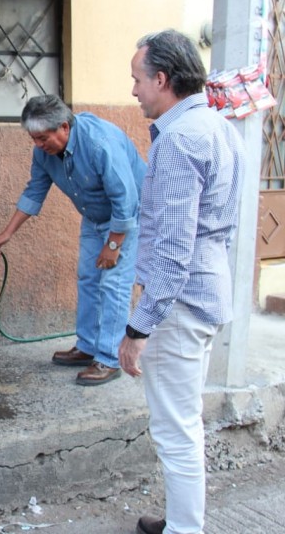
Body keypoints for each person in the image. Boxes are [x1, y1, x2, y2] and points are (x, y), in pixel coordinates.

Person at [119, 30, 245, 534]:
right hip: (206, 293)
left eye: (137, 79)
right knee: (182, 422)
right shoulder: (216, 126)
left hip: (181, 303)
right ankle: (181, 520)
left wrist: (138, 329)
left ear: (163, 80)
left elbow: (173, 252)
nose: (133, 90)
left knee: (175, 429)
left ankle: (184, 529)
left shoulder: (180, 140)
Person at [0, 94, 146, 385]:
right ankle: (87, 347)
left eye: (42, 138)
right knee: (88, 277)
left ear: (64, 127)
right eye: (33, 138)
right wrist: (8, 232)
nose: (37, 145)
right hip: (94, 217)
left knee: (113, 283)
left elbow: (126, 199)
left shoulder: (100, 144)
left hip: (128, 218)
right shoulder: (44, 152)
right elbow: (35, 190)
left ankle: (109, 359)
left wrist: (113, 245)